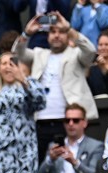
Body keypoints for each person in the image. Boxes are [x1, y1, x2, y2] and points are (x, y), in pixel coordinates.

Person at [16, 13, 97, 164]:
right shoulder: (40, 53)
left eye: (61, 32)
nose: (57, 36)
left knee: (67, 166)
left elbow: (91, 51)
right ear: (48, 36)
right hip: (40, 122)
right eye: (53, 32)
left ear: (67, 36)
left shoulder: (76, 54)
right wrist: (27, 33)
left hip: (67, 122)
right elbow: (18, 53)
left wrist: (70, 29)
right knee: (41, 167)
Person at [34, 103, 103, 173]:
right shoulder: (54, 146)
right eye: (67, 120)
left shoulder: (95, 146)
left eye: (75, 120)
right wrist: (50, 160)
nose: (71, 124)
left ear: (85, 123)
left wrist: (75, 163)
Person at [87, 30, 108, 96]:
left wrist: (105, 71)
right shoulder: (92, 69)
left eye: (107, 44)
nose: (103, 47)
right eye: (100, 45)